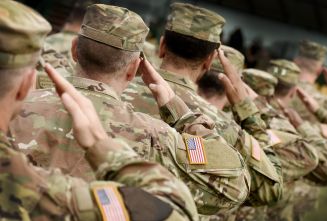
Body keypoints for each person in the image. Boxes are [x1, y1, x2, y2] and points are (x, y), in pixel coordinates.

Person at [9, 3, 251, 219]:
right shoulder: (155, 135)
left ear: (74, 49)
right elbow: (233, 187)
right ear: (134, 68)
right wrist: (183, 115)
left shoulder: (16, 107)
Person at [121, 1, 282, 213]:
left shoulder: (114, 91)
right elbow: (270, 192)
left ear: (161, 47)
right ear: (209, 62)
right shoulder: (225, 127)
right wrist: (249, 113)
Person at [266, 59, 327, 221]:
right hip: (280, 202)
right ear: (292, 92)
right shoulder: (291, 131)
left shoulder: (233, 112)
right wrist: (305, 125)